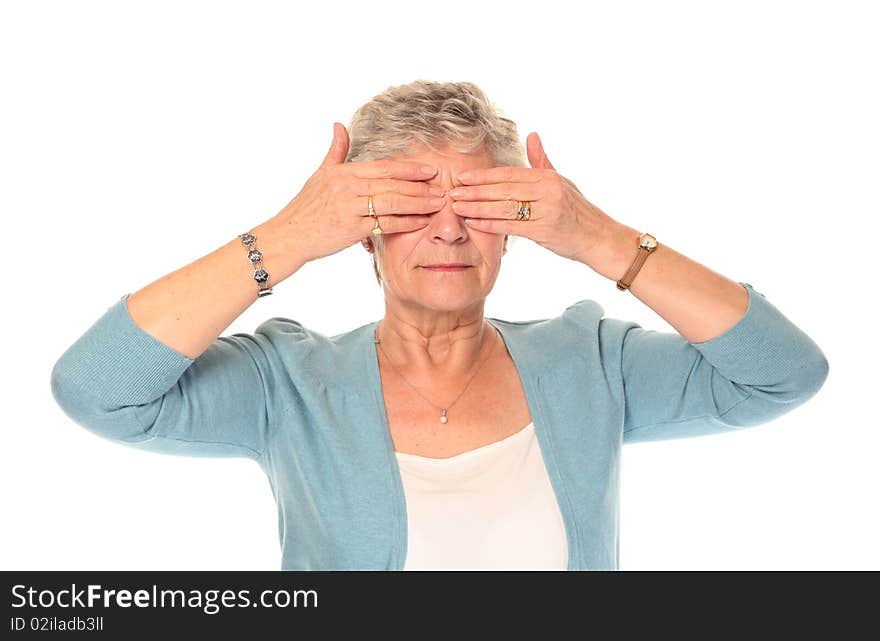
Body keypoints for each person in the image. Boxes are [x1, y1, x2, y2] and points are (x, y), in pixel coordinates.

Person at [50, 80, 829, 571]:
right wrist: (290, 235)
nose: (451, 232)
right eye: (417, 205)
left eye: (483, 205)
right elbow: (96, 390)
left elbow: (784, 372)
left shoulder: (590, 361)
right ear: (364, 227)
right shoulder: (287, 384)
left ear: (516, 223)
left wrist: (598, 235)